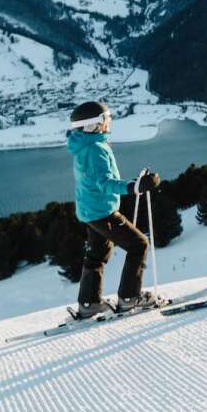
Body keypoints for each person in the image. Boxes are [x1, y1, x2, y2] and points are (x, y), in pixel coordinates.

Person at [66, 100, 165, 317]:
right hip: (103, 212)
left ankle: (88, 303)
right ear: (92, 126)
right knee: (139, 244)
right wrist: (134, 187)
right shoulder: (96, 149)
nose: (108, 123)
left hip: (89, 211)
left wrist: (132, 184)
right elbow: (105, 182)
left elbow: (95, 181)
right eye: (104, 120)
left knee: (97, 254)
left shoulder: (82, 145)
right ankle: (129, 297)